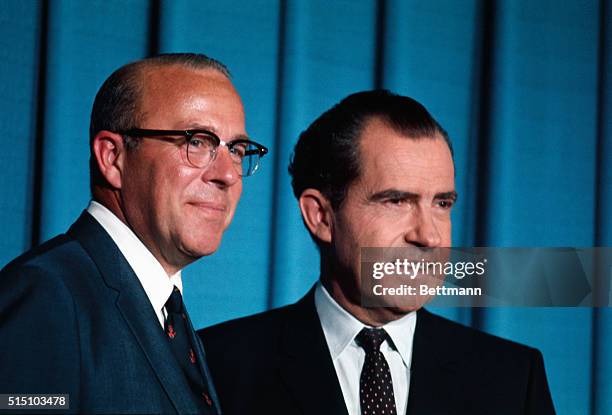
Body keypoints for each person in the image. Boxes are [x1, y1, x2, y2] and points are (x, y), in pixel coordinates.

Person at [199, 90, 555, 415]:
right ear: (321, 216)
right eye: (397, 201)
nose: (429, 236)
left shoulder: (512, 378)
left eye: (442, 203)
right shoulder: (217, 366)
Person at [0, 53, 268, 414]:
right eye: (197, 142)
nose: (228, 175)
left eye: (235, 149)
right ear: (113, 158)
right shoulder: (48, 297)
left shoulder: (170, 315)